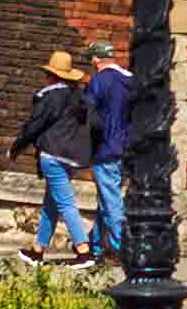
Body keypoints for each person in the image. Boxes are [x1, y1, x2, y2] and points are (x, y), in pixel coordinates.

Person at [13, 50, 98, 260]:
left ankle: (83, 251)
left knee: (65, 203)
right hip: (71, 157)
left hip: (52, 155)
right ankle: (38, 250)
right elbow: (94, 124)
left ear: (51, 75)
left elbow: (35, 125)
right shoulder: (80, 96)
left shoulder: (49, 97)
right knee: (51, 203)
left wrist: (16, 147)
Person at [83, 44, 136, 261]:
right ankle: (95, 246)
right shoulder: (131, 80)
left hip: (106, 148)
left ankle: (123, 248)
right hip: (128, 148)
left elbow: (87, 112)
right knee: (106, 198)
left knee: (111, 200)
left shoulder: (100, 80)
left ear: (96, 59)